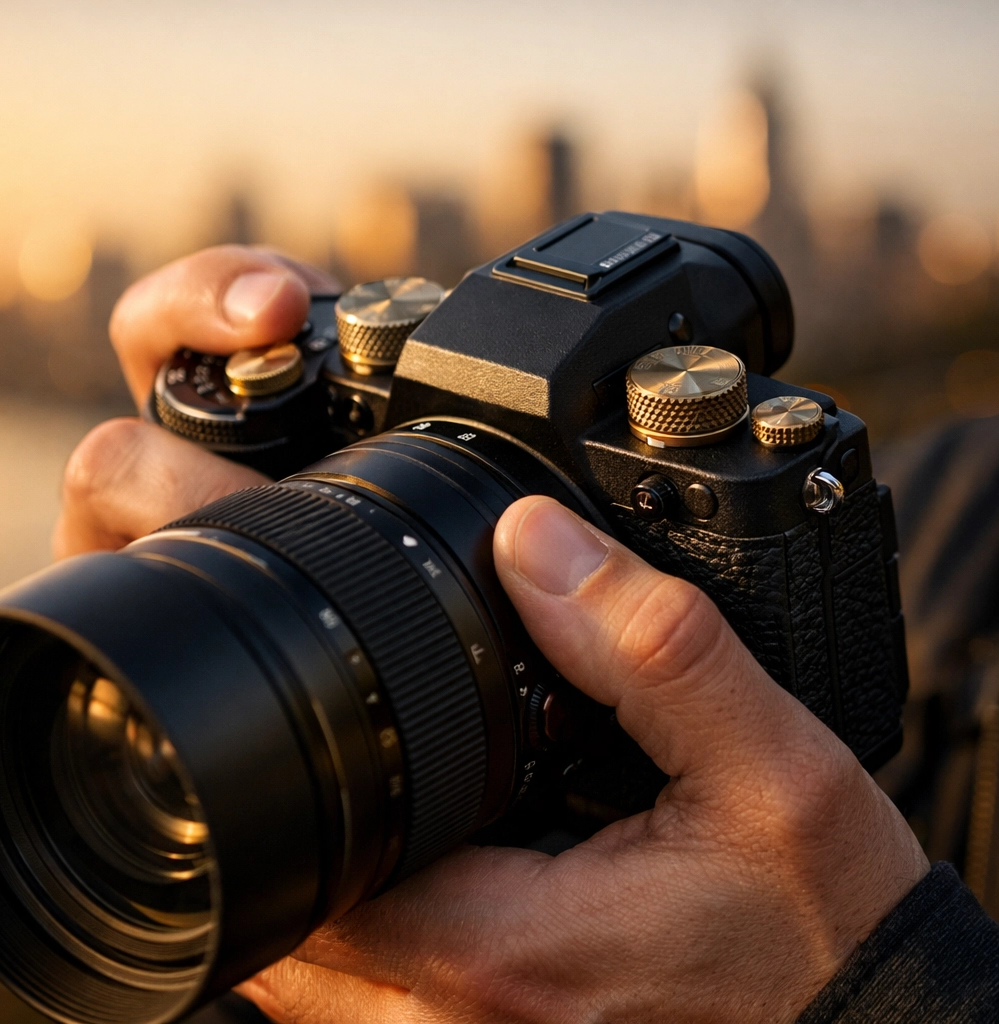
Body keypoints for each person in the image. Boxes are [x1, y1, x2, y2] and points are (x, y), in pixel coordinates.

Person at [54, 246, 999, 1023]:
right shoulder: (950, 524)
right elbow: (120, 902)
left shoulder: (859, 560)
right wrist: (185, 653)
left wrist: (870, 981)